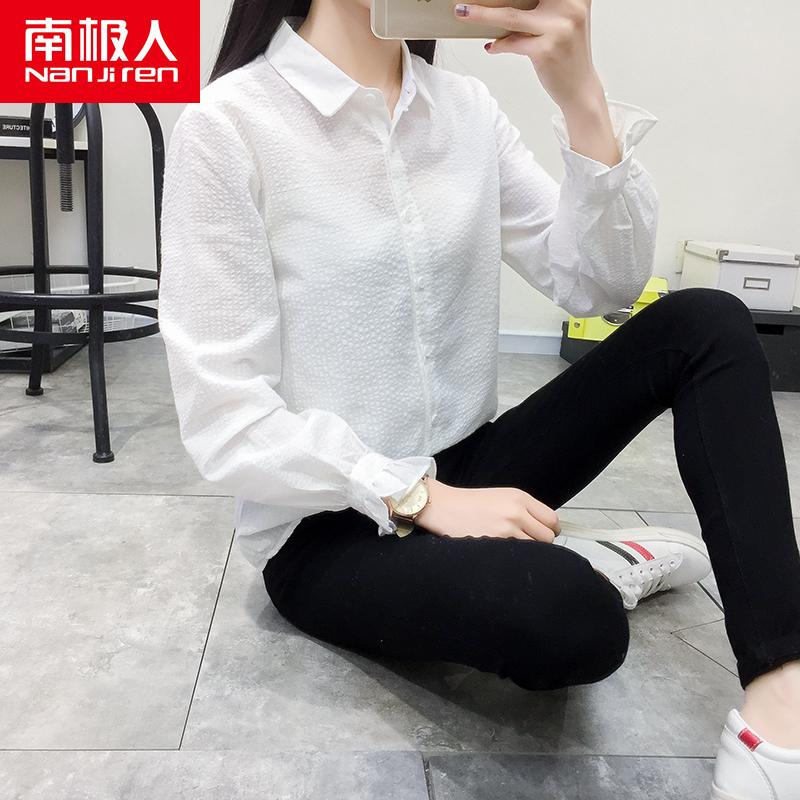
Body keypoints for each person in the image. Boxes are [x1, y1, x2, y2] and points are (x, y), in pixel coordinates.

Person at [157, 0, 800, 796]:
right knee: (571, 618)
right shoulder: (231, 125)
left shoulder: (463, 110)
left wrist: (580, 96)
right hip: (328, 528)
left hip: (474, 465)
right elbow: (226, 417)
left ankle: (782, 701)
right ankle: (587, 565)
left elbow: (599, 285)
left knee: (707, 323)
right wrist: (418, 496)